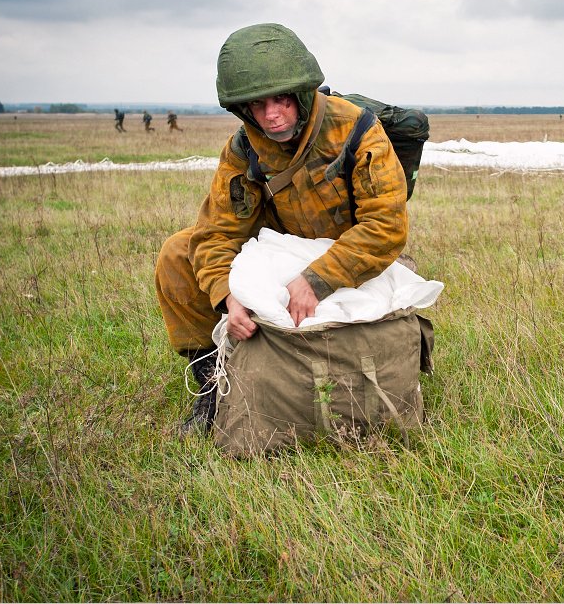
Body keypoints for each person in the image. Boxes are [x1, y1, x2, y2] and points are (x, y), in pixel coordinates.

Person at [154, 23, 409, 437]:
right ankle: (213, 387)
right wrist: (226, 296)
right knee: (177, 253)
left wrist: (316, 280)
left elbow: (386, 226)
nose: (271, 115)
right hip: (279, 251)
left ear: (303, 95)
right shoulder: (244, 148)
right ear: (243, 109)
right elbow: (215, 234)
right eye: (258, 104)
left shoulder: (357, 129)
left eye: (282, 100)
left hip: (350, 256)